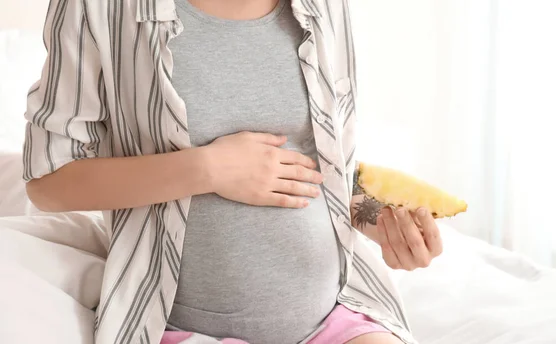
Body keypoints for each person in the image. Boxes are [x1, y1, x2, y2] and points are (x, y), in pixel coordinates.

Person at [22, 0, 443, 343]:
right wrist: (205, 168)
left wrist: (380, 222)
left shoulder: (325, 7)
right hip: (179, 326)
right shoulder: (101, 9)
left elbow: (326, 170)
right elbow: (48, 183)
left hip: (337, 318)